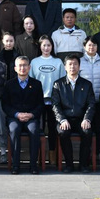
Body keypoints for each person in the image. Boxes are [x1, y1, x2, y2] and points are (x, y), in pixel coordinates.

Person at [51, 54, 96, 173]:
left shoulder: (87, 84)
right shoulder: (58, 84)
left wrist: (87, 119)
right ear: (65, 67)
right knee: (63, 133)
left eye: (75, 64)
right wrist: (62, 120)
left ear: (79, 66)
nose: (72, 66)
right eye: (70, 64)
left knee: (87, 132)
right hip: (65, 119)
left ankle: (83, 165)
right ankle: (69, 164)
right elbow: (55, 105)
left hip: (81, 119)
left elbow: (91, 104)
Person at [1, 56, 44, 175]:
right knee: (14, 130)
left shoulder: (37, 84)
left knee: (34, 130)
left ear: (29, 67)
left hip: (31, 117)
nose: (22, 68)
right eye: (20, 65)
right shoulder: (9, 84)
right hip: (14, 117)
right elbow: (5, 105)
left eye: (25, 65)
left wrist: (31, 114)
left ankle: (33, 165)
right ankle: (15, 165)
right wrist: (17, 114)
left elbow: (40, 104)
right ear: (15, 68)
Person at [29, 35, 66, 164]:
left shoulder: (58, 62)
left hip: (54, 101)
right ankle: (40, 156)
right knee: (38, 129)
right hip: (38, 100)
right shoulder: (34, 62)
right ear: (40, 47)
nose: (46, 48)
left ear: (52, 47)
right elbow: (31, 81)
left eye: (49, 45)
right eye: (44, 45)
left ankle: (52, 155)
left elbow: (63, 81)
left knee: (52, 129)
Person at [79, 35, 100, 163]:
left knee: (99, 130)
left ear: (97, 47)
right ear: (84, 47)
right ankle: (86, 156)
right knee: (86, 130)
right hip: (83, 103)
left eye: (94, 45)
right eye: (89, 45)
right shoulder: (79, 62)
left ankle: (97, 154)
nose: (91, 47)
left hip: (99, 101)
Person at [0, 31, 19, 163]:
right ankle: (3, 151)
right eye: (6, 41)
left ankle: (14, 151)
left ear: (14, 42)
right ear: (2, 42)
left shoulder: (19, 57)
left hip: (15, 98)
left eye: (11, 41)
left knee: (13, 125)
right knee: (0, 126)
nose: (9, 43)